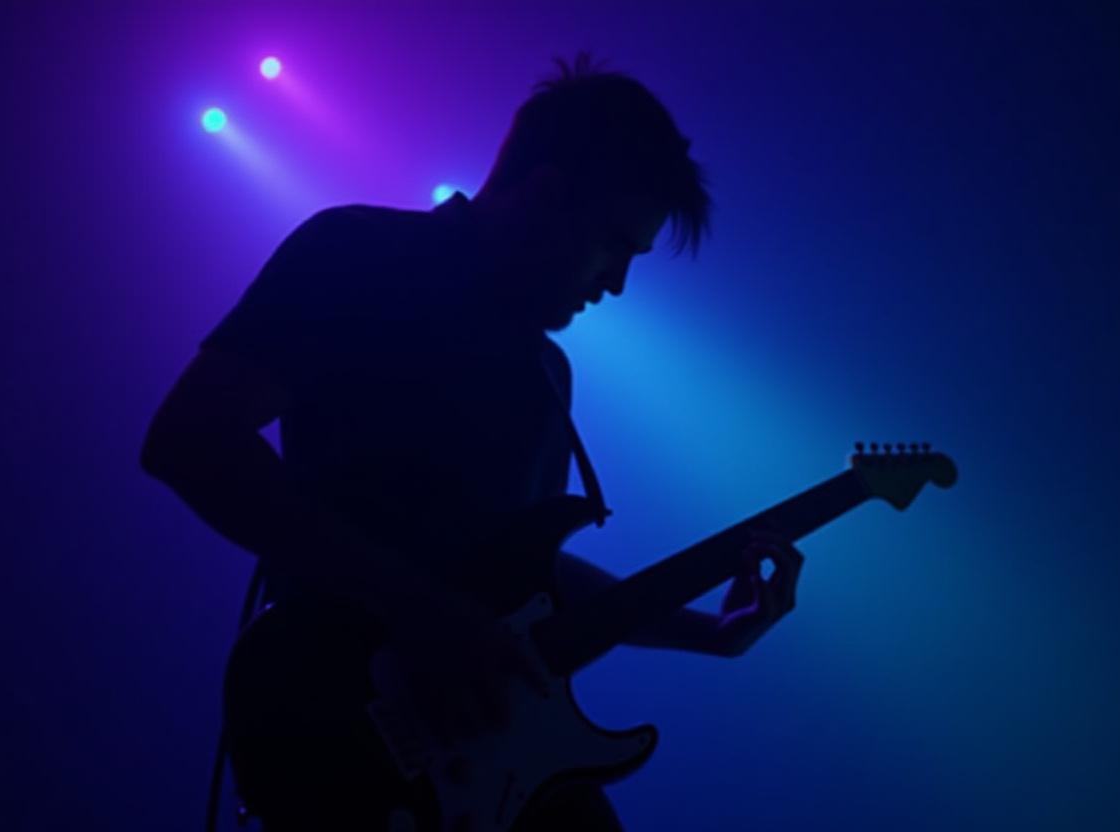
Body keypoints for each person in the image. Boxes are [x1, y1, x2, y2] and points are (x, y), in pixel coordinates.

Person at [141, 53, 804, 831]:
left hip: (485, 771)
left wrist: (706, 633)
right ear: (549, 195)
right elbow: (190, 436)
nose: (619, 282)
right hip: (341, 732)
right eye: (614, 244)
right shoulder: (359, 254)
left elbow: (522, 579)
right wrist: (414, 608)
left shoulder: (548, 373)